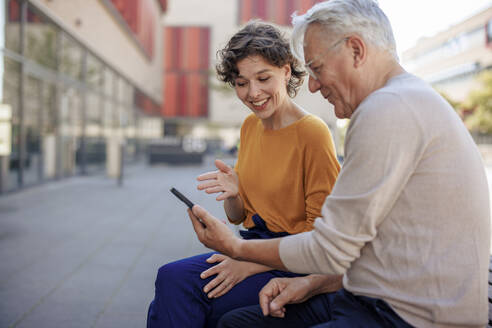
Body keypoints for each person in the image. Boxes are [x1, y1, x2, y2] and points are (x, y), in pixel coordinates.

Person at [186, 1, 491, 327]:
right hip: (377, 296)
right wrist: (309, 283)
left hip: (407, 316)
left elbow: (330, 246)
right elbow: (358, 246)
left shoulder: (387, 109)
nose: (313, 85)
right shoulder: (405, 98)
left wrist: (236, 248)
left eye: (317, 68)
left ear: (356, 50)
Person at [146, 21, 341, 328]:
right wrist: (234, 194)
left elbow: (320, 234)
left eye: (263, 78)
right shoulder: (251, 127)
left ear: (286, 71)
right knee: (171, 284)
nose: (253, 93)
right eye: (241, 83)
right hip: (255, 247)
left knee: (176, 288)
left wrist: (249, 263)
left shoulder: (312, 133)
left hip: (293, 261)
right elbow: (239, 218)